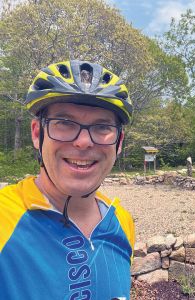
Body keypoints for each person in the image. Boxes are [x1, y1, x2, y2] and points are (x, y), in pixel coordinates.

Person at [0, 60, 135, 299]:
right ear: (37, 133)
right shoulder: (4, 218)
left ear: (119, 142)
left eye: (102, 126)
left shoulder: (123, 222)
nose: (83, 141)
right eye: (64, 123)